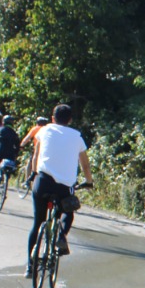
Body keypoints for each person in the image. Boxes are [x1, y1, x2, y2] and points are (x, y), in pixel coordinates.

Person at [26, 104, 93, 274]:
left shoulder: (44, 130)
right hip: (64, 186)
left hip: (43, 182)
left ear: (53, 118)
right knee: (67, 213)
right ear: (70, 120)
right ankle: (60, 236)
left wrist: (34, 175)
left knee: (38, 223)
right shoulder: (77, 137)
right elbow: (85, 164)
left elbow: (36, 155)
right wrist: (89, 181)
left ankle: (30, 266)